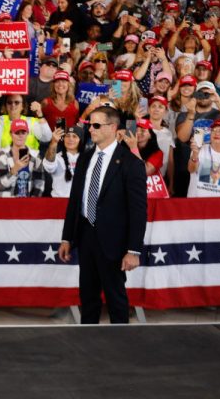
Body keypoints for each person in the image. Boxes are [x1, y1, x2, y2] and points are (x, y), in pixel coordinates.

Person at [59, 106, 147, 324]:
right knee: (87, 298)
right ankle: (87, 347)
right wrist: (67, 237)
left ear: (113, 127)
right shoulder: (85, 158)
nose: (91, 130)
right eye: (90, 125)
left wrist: (133, 250)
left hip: (114, 243)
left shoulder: (131, 163)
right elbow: (75, 200)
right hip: (86, 236)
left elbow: (138, 211)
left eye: (97, 125)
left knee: (116, 299)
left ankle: (120, 349)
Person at [0, 118, 45, 197]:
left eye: (23, 132)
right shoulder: (2, 155)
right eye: (17, 132)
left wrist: (33, 201)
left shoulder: (35, 156)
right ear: (11, 134)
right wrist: (14, 170)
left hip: (27, 204)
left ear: (27, 133)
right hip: (5, 203)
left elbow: (39, 183)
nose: (20, 136)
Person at [43, 125, 84, 198]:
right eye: (67, 136)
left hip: (79, 203)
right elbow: (49, 165)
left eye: (74, 136)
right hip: (58, 202)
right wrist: (54, 141)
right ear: (63, 139)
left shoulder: (87, 158)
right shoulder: (57, 157)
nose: (70, 139)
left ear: (80, 140)